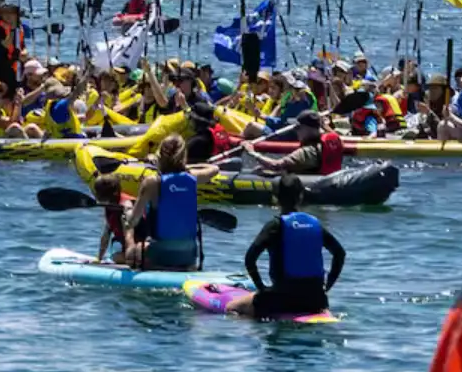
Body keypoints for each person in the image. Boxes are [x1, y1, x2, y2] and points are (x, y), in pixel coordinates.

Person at [220, 176, 346, 319]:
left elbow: (250, 258)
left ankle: (252, 328)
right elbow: (340, 253)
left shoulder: (275, 226)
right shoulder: (315, 225)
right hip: (316, 301)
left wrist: (261, 288)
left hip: (281, 300)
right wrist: (327, 287)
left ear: (276, 198)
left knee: (231, 308)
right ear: (301, 196)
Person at [129, 134, 221, 270]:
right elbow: (214, 169)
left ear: (160, 156)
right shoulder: (193, 177)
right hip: (188, 255)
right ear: (183, 156)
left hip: (160, 254)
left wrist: (127, 216)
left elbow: (133, 221)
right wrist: (187, 165)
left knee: (130, 236)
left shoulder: (152, 182)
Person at [249, 110, 341, 176]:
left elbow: (276, 165)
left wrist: (252, 152)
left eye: (297, 128)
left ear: (307, 129)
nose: (296, 132)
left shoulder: (307, 152)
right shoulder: (328, 143)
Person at [94, 174, 135, 264]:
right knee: (115, 256)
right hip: (129, 251)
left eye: (99, 192)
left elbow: (129, 234)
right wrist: (99, 258)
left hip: (141, 249)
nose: (95, 195)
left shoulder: (127, 206)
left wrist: (130, 258)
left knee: (116, 257)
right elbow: (105, 235)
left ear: (114, 193)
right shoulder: (109, 207)